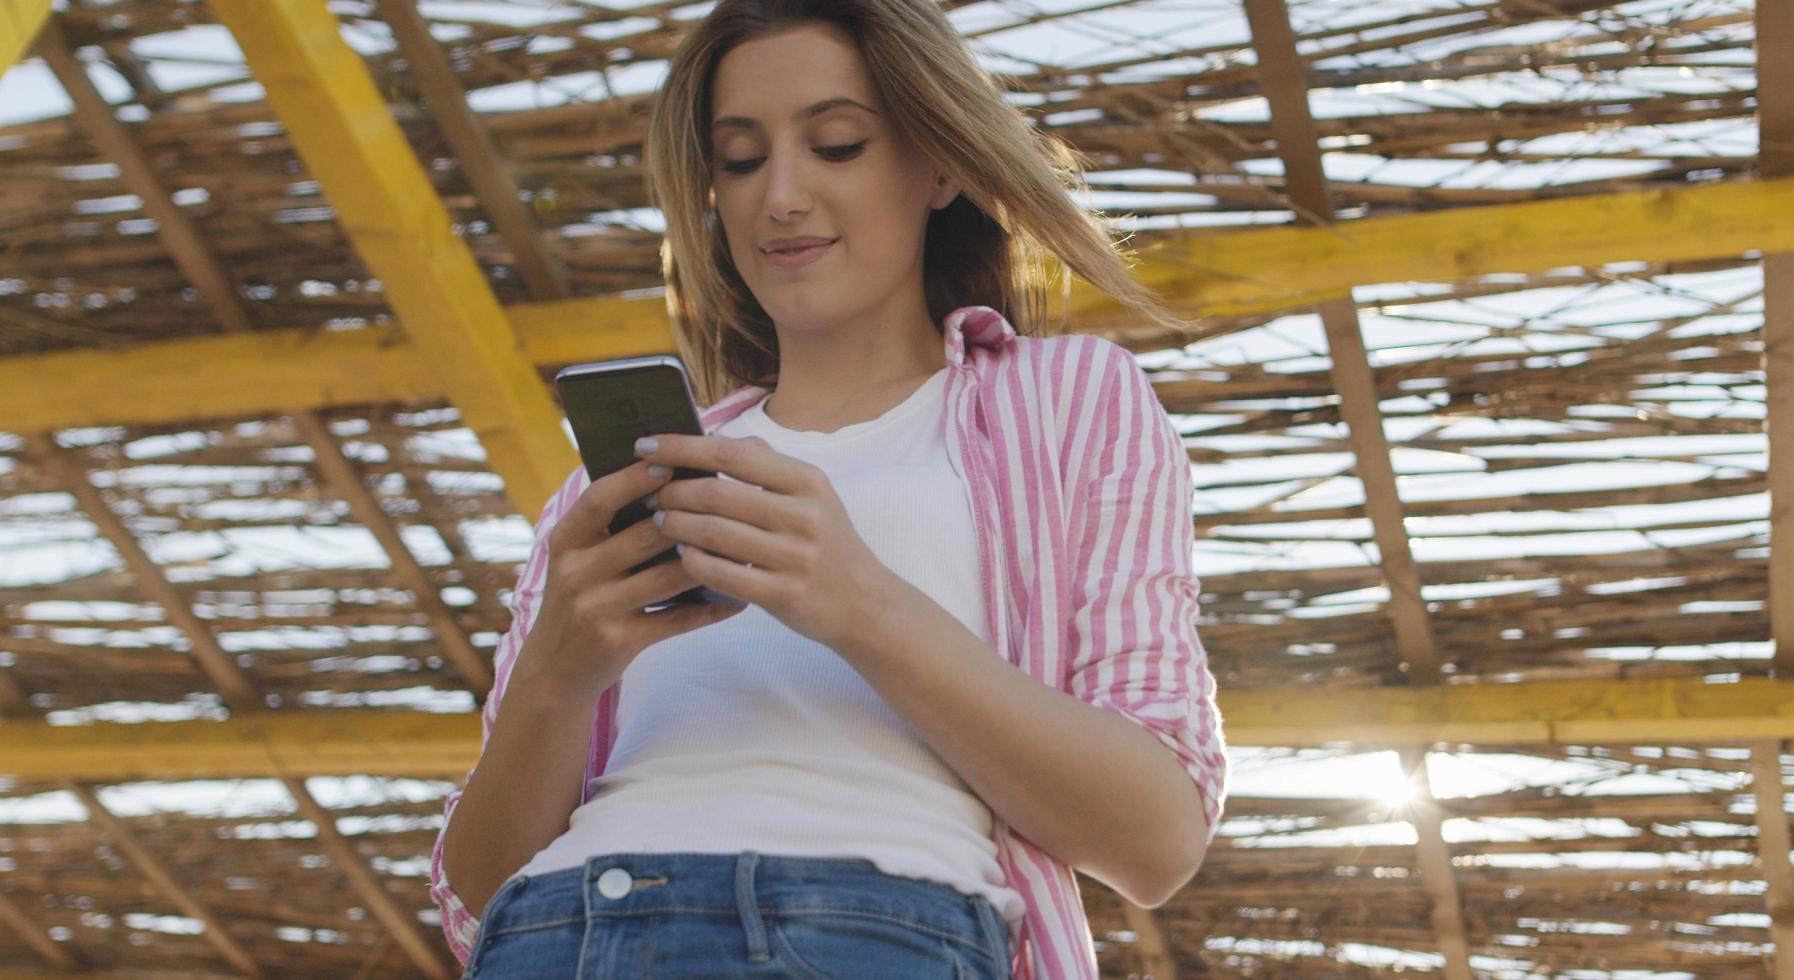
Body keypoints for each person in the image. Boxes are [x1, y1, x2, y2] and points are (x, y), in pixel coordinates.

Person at [425, 1, 1229, 977]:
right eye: (741, 157)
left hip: (870, 931)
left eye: (838, 144)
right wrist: (556, 675)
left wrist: (857, 601)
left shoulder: (1066, 399)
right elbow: (473, 906)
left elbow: (1156, 834)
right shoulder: (616, 484)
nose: (782, 196)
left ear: (938, 164)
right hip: (560, 935)